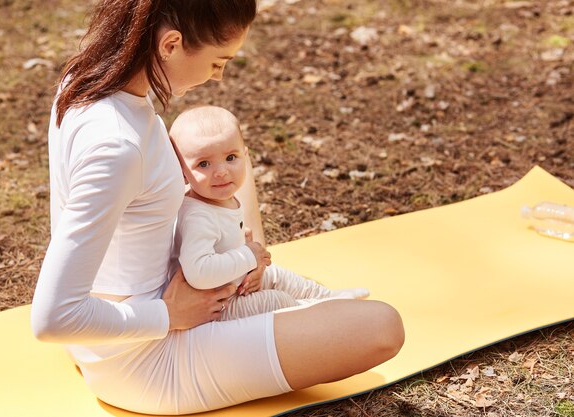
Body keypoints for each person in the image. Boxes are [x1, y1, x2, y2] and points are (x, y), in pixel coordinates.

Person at [30, 0, 405, 415]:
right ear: (170, 44)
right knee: (381, 327)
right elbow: (53, 317)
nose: (219, 75)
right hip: (144, 360)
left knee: (225, 148)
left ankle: (253, 271)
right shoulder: (117, 148)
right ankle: (258, 278)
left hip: (159, 298)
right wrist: (168, 315)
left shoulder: (84, 79)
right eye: (218, 62)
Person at [169, 106, 370, 320]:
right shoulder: (197, 217)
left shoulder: (218, 197)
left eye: (230, 158)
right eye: (204, 163)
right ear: (182, 171)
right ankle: (317, 311)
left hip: (235, 280)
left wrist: (253, 263)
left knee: (278, 275)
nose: (221, 171)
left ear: (245, 155)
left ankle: (328, 296)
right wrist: (248, 256)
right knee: (276, 301)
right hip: (219, 305)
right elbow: (199, 272)